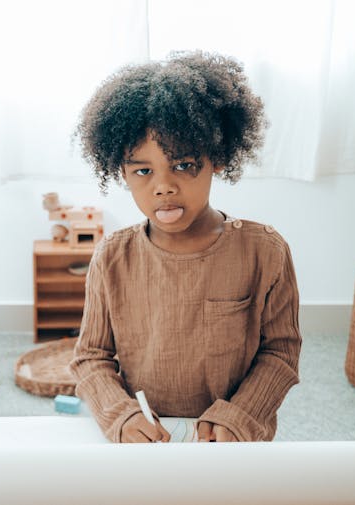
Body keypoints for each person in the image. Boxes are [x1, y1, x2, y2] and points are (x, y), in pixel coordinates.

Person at [70, 51, 301, 443]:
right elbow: (91, 357)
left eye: (183, 165)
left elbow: (280, 352)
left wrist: (239, 416)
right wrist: (121, 416)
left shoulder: (266, 252)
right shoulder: (112, 257)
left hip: (232, 441)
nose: (163, 186)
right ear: (121, 172)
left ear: (219, 159)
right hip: (146, 438)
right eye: (143, 171)